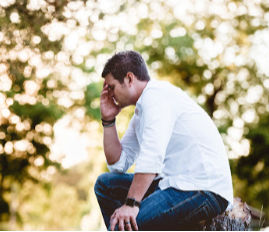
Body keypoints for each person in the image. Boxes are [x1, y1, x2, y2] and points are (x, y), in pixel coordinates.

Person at [94, 50, 233, 231]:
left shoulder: (157, 96)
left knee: (126, 226)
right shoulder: (141, 112)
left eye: (111, 87)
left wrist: (131, 204)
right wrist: (108, 121)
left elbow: (152, 156)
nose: (110, 94)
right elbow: (118, 164)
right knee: (106, 185)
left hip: (203, 190)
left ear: (129, 79)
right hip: (172, 184)